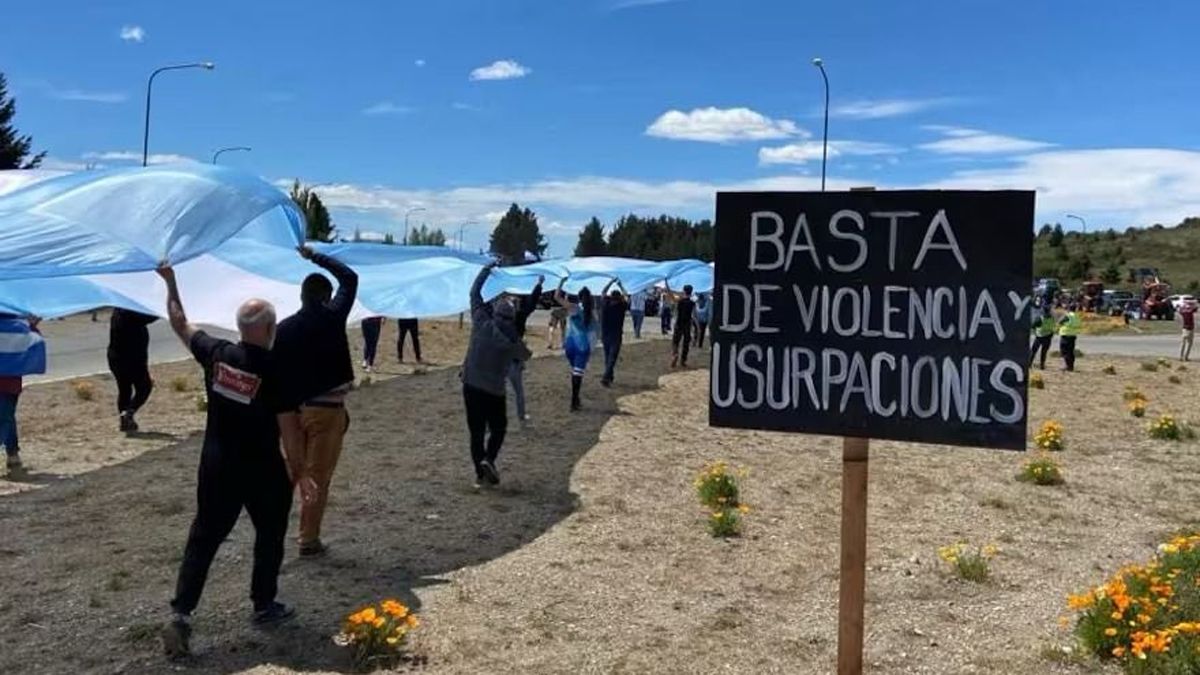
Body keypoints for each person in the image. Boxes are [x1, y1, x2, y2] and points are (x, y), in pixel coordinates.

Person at [156, 265, 314, 659]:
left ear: (241, 326)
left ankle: (181, 616)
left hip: (217, 465)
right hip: (262, 470)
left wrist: (171, 281)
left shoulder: (218, 354)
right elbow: (290, 429)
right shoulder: (276, 370)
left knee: (204, 538)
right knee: (270, 535)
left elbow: (179, 322)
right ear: (270, 328)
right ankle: (263, 605)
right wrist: (301, 471)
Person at [272, 246, 358, 557]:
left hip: (292, 413)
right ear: (325, 296)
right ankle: (308, 540)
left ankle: (271, 528)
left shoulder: (283, 330)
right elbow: (349, 277)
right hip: (327, 411)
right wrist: (315, 255)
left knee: (294, 471)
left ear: (301, 297)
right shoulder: (333, 317)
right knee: (316, 476)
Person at [462, 263, 532, 486]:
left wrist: (487, 269)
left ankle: (481, 473)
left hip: (471, 384)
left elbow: (474, 292)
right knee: (499, 428)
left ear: (495, 312)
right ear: (511, 318)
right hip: (494, 390)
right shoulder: (512, 340)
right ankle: (489, 459)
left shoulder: (481, 321)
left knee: (476, 432)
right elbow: (526, 355)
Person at [0, 313, 44, 477]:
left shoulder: (18, 328)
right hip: (11, 383)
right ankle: (13, 456)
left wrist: (31, 327)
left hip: (9, 383)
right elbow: (34, 344)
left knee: (6, 419)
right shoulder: (18, 327)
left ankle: (13, 456)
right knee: (6, 418)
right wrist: (31, 326)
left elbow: (33, 342)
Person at [107, 308, 158, 432]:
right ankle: (128, 413)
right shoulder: (128, 313)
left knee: (124, 390)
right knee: (145, 387)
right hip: (132, 359)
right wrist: (162, 309)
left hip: (116, 358)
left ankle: (125, 422)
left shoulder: (118, 312)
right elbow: (149, 317)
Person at [556, 280, 598, 411]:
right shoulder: (592, 313)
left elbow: (556, 297)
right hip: (583, 345)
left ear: (579, 297)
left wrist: (561, 282)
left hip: (570, 343)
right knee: (578, 374)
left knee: (574, 371)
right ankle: (574, 400)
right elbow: (595, 332)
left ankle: (576, 400)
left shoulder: (574, 308)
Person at [508, 275, 544, 426]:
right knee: (518, 390)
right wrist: (539, 285)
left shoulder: (496, 319)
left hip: (497, 359)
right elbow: (532, 302)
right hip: (514, 358)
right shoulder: (520, 316)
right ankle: (521, 416)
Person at [599, 279, 629, 387]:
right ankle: (606, 377)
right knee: (612, 358)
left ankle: (609, 377)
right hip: (616, 335)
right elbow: (627, 296)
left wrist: (610, 283)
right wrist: (621, 285)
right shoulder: (621, 306)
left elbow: (603, 292)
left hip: (605, 334)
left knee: (607, 356)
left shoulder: (605, 305)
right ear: (619, 298)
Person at [665, 283, 695, 368]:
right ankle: (683, 360)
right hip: (687, 324)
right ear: (691, 292)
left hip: (679, 323)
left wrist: (667, 286)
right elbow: (694, 316)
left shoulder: (680, 301)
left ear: (684, 291)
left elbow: (672, 297)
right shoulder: (692, 303)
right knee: (686, 343)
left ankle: (675, 354)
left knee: (675, 341)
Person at [1029, 303, 1056, 370]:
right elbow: (1053, 326)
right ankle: (1042, 365)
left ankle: (1029, 364)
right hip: (1048, 336)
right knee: (1044, 352)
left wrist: (1034, 331)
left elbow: (1033, 326)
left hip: (1039, 336)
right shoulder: (1052, 318)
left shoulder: (1040, 318)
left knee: (1033, 351)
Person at [1057, 303, 1082, 372]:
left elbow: (1059, 322)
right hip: (1073, 335)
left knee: (1064, 351)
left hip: (1066, 335)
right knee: (1070, 352)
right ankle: (1071, 366)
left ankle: (1067, 366)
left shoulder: (1068, 316)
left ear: (1069, 309)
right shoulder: (1076, 316)